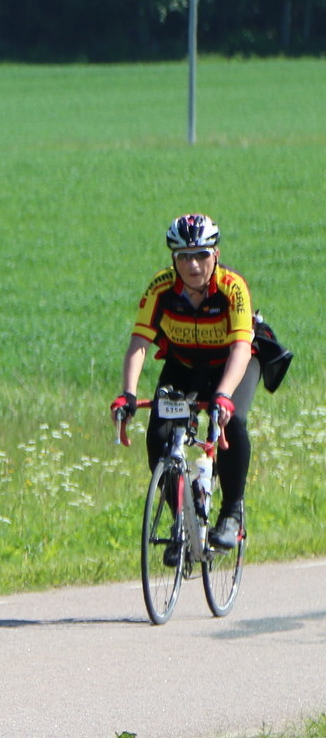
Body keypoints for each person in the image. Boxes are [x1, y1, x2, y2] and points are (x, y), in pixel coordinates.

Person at [111, 214, 258, 558]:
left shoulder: (232, 287)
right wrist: (128, 393)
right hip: (184, 365)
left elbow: (241, 347)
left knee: (233, 422)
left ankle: (232, 513)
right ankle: (183, 522)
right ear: (173, 259)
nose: (193, 265)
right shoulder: (161, 287)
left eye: (201, 255)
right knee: (158, 439)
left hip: (231, 364)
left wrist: (223, 395)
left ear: (215, 255)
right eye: (184, 256)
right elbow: (139, 342)